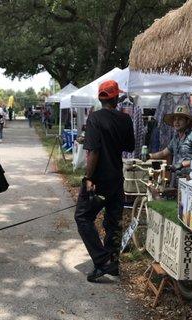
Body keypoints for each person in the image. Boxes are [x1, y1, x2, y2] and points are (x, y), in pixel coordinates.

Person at [74, 80, 135, 282]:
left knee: (82, 217)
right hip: (116, 178)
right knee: (113, 222)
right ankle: (113, 263)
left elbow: (93, 152)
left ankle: (103, 261)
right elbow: (129, 146)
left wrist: (88, 177)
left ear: (101, 98)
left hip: (99, 180)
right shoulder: (126, 119)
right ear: (116, 98)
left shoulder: (95, 118)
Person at [149, 105, 192, 183]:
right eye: (175, 119)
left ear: (187, 121)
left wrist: (183, 164)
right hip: (177, 179)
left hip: (191, 180)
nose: (176, 122)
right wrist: (149, 156)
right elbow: (164, 152)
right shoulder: (176, 138)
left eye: (180, 119)